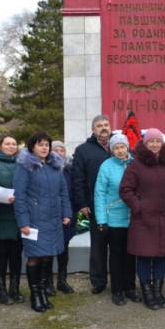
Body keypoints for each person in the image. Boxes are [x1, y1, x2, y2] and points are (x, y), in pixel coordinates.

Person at [120, 129, 165, 310]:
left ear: (162, 143)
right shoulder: (136, 165)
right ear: (145, 144)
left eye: (157, 141)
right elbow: (125, 190)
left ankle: (158, 292)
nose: (154, 145)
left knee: (162, 256)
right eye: (151, 142)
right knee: (145, 257)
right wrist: (139, 206)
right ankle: (147, 293)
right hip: (144, 220)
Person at [15, 132, 73, 312]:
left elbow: (63, 191)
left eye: (47, 144)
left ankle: (42, 292)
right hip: (33, 220)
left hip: (53, 219)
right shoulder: (25, 167)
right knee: (34, 257)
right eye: (40, 144)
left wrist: (67, 212)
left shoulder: (55, 166)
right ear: (32, 146)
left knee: (47, 255)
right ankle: (35, 295)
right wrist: (23, 222)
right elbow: (20, 196)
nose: (44, 147)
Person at [94, 134, 138, 306]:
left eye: (122, 146)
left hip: (133, 218)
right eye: (116, 148)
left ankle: (130, 288)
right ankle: (117, 290)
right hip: (114, 218)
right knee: (117, 255)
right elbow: (100, 194)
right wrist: (102, 220)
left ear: (127, 147)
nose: (120, 150)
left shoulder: (135, 164)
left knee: (131, 255)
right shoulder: (106, 166)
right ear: (112, 150)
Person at [72, 115, 113, 294]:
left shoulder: (119, 146)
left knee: (119, 245)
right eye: (99, 126)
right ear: (93, 130)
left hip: (118, 206)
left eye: (106, 125)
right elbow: (78, 179)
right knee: (98, 245)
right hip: (95, 206)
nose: (103, 128)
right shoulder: (83, 150)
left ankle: (120, 280)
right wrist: (82, 203)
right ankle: (98, 281)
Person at [0, 134, 23, 305]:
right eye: (7, 144)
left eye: (14, 143)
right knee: (1, 255)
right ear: (0, 146)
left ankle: (15, 288)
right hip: (1, 215)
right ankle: (1, 289)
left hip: (18, 216)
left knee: (16, 255)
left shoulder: (21, 163)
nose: (11, 146)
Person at [49, 141, 78, 295]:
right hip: (49, 216)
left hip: (67, 215)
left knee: (63, 250)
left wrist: (72, 211)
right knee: (48, 250)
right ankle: (48, 282)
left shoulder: (69, 170)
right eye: (55, 149)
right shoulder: (44, 168)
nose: (59, 152)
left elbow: (73, 192)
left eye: (62, 150)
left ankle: (62, 279)